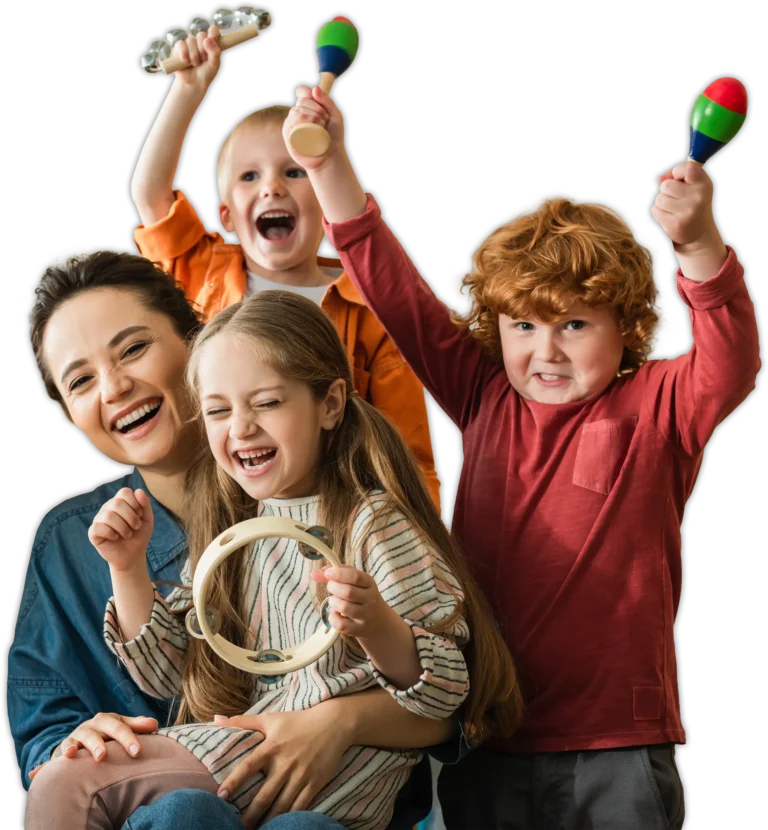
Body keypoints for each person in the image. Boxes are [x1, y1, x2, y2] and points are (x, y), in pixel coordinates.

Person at [268, 85, 761, 829]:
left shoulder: (659, 402)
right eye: (523, 324)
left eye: (573, 323)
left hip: (618, 745)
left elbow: (731, 363)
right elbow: (391, 288)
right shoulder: (482, 391)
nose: (546, 350)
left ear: (628, 326)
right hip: (487, 735)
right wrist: (332, 160)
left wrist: (697, 244)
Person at [9, 247, 476, 829]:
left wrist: (344, 718)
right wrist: (73, 740)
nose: (115, 387)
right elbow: (68, 719)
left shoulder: (353, 517)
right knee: (170, 809)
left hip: (330, 792)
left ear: (193, 345)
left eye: (134, 348)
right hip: (204, 789)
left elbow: (452, 697)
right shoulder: (75, 541)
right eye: (80, 380)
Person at [129, 26, 441, 509]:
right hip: (222, 511)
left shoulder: (369, 306)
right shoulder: (205, 272)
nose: (271, 188)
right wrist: (188, 89)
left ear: (323, 199)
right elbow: (149, 196)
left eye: (294, 171)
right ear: (227, 216)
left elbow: (409, 454)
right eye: (250, 176)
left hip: (335, 516)